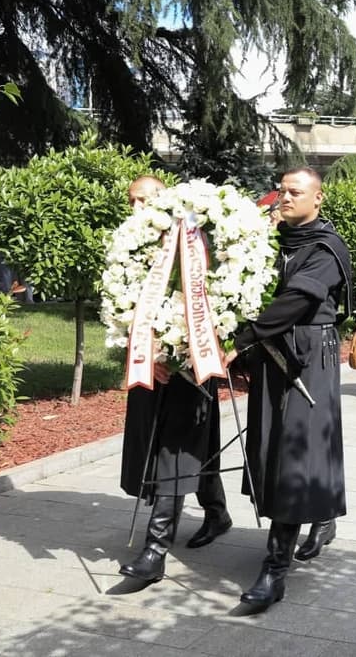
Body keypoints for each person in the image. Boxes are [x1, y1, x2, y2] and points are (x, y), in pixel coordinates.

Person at [224, 165, 351, 609]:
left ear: (318, 198)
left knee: (296, 452)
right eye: (281, 190)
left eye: (295, 191)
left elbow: (295, 300)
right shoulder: (269, 240)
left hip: (307, 356)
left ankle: (275, 571)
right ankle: (323, 514)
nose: (285, 197)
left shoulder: (327, 248)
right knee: (272, 445)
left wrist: (240, 339)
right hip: (270, 354)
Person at [118, 175, 232, 584]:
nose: (137, 209)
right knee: (180, 447)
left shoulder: (197, 240)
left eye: (144, 200)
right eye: (132, 201)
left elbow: (219, 303)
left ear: (165, 199)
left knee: (176, 448)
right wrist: (143, 354)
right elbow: (122, 308)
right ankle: (216, 512)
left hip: (191, 365)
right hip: (152, 369)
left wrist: (185, 350)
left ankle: (156, 549)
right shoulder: (131, 247)